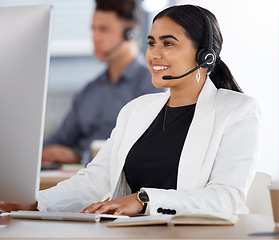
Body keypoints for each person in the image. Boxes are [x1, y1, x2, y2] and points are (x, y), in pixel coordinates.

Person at [1, 4, 260, 216]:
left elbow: (228, 198)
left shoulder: (238, 111)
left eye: (168, 44)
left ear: (205, 57)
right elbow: (96, 179)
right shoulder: (136, 110)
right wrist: (36, 203)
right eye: (151, 43)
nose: (154, 54)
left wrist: (143, 200)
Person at [42, 0, 164, 165]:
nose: (95, 38)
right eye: (93, 29)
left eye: (104, 29)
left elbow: (142, 151)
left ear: (130, 33)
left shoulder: (153, 86)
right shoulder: (89, 91)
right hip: (77, 179)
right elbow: (59, 140)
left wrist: (79, 156)